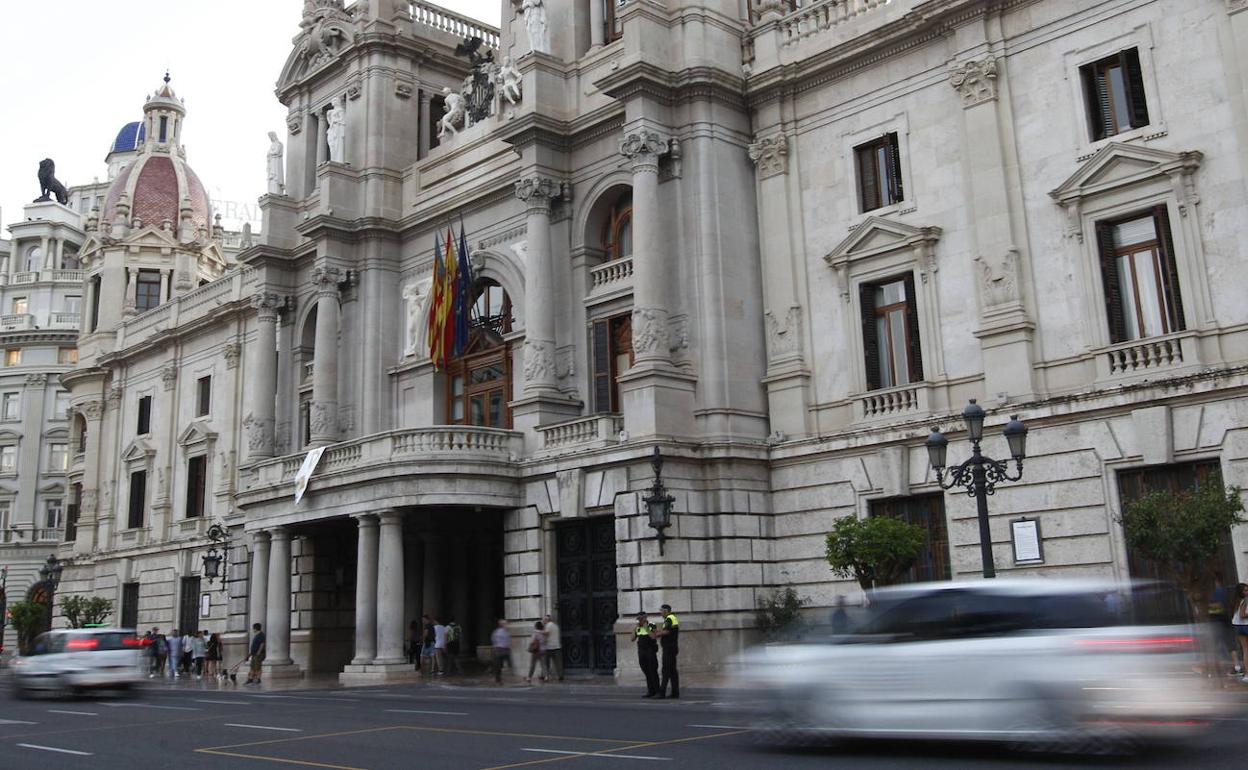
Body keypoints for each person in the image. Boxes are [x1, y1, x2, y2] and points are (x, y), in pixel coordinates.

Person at [655, 603, 680, 699]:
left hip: (669, 648)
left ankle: (662, 693)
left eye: (661, 611)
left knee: (666, 670)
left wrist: (657, 634)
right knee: (673, 671)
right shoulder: (671, 618)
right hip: (672, 647)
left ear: (666, 611)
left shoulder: (669, 618)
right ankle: (675, 692)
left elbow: (667, 631)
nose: (660, 613)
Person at [634, 612, 660, 698]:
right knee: (646, 672)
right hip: (641, 651)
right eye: (638, 619)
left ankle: (657, 691)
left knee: (653, 671)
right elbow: (632, 638)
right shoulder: (638, 627)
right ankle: (650, 691)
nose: (639, 621)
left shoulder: (651, 625)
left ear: (645, 618)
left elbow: (653, 636)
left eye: (640, 619)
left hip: (650, 651)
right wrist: (635, 628)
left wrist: (646, 628)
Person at [1232, 583, 1248, 684]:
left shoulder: (1237, 601)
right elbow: (1242, 615)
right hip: (1246, 625)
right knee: (1246, 650)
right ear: (1241, 592)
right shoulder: (1246, 600)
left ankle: (1247, 675)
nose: (1247, 592)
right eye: (1245, 590)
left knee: (1245, 650)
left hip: (1238, 626)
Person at [542, 614, 563, 681]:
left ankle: (546, 676)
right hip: (557, 646)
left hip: (549, 647)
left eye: (544, 620)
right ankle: (560, 676)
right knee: (558, 663)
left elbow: (546, 633)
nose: (544, 621)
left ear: (546, 620)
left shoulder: (548, 625)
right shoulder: (556, 626)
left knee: (546, 663)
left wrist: (539, 631)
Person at [491, 619, 512, 685]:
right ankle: (498, 679)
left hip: (506, 650)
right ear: (502, 625)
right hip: (499, 650)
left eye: (507, 624)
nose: (507, 625)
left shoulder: (507, 632)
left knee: (509, 664)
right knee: (498, 666)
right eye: (506, 624)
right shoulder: (497, 632)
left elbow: (508, 641)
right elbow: (494, 640)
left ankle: (503, 678)